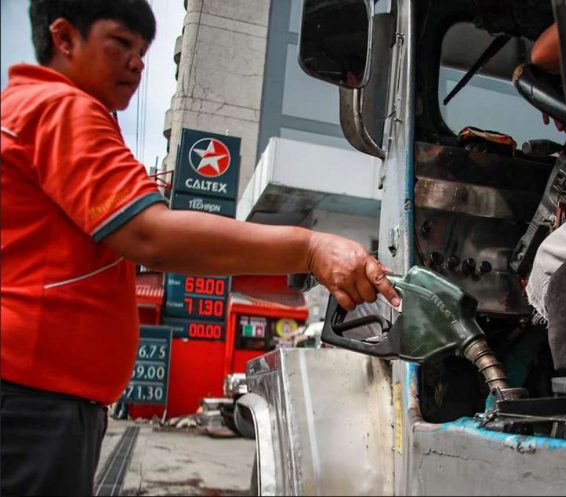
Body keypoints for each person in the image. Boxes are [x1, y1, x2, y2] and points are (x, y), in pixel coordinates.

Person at [0, 1, 400, 495]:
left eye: (143, 51)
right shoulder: (63, 109)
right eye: (120, 44)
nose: (136, 64)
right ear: (64, 39)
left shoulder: (25, 110)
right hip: (32, 402)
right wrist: (311, 249)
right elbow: (152, 235)